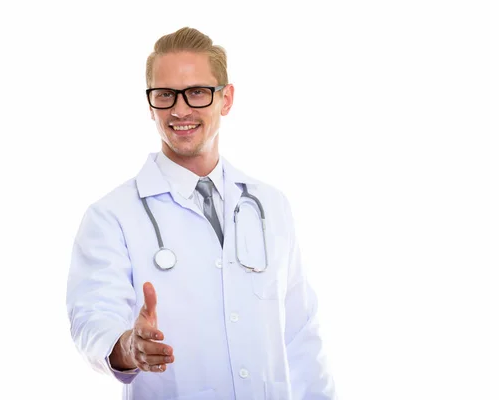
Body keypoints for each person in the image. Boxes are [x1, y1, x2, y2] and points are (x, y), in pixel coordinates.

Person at [66, 26, 336, 399]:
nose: (180, 110)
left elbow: (302, 334)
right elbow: (92, 318)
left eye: (197, 93)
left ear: (226, 99)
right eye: (165, 95)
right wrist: (129, 347)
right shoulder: (111, 217)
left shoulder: (271, 206)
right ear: (150, 105)